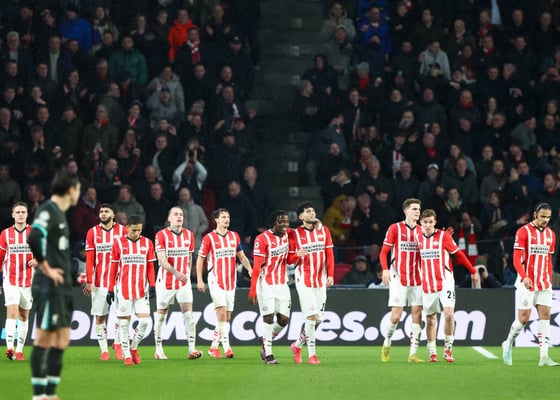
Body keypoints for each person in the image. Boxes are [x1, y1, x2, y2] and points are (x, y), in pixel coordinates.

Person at [27, 170, 81, 400]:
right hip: (49, 286)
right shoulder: (48, 210)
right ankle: (39, 395)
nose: (78, 194)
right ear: (70, 190)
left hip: (63, 287)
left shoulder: (60, 213)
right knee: (44, 338)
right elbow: (33, 236)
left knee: (62, 340)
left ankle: (50, 393)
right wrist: (47, 269)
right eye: (78, 189)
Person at [416, 209, 478, 363]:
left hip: (446, 282)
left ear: (435, 222)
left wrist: (472, 270)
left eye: (431, 222)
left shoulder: (443, 236)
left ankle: (448, 349)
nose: (428, 225)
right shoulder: (417, 237)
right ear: (421, 223)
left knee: (449, 315)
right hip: (428, 283)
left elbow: (459, 255)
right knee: (430, 319)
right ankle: (432, 351)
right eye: (425, 222)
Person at [501, 203, 560, 367]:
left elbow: (548, 259)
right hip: (526, 282)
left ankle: (544, 356)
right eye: (543, 217)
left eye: (548, 217)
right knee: (523, 319)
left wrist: (549, 276)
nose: (545, 220)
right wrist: (524, 276)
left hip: (544, 282)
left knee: (545, 316)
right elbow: (516, 258)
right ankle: (508, 342)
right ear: (535, 215)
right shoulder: (523, 231)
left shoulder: (551, 235)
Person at [196, 208, 252, 359]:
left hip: (231, 281)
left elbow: (241, 256)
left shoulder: (234, 236)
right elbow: (200, 259)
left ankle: (213, 347)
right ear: (216, 220)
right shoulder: (209, 238)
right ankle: (227, 348)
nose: (227, 219)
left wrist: (250, 269)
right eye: (223, 217)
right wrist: (200, 279)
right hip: (215, 279)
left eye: (228, 217)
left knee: (226, 317)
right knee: (221, 311)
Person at [288, 202, 334, 365]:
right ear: (301, 216)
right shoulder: (295, 234)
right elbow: (290, 259)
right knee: (311, 317)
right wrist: (296, 255)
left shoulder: (324, 230)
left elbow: (329, 254)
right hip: (304, 278)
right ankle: (312, 355)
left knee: (318, 319)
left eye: (313, 211)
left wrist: (331, 275)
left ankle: (297, 345)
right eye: (308, 211)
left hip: (320, 279)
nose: (312, 213)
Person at [153, 207, 202, 360]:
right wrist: (176, 273)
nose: (179, 216)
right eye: (175, 214)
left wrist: (186, 273)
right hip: (165, 280)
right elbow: (162, 259)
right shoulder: (161, 235)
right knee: (161, 315)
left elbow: (189, 257)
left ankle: (191, 349)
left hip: (183, 281)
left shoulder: (189, 234)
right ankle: (158, 349)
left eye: (181, 214)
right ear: (169, 218)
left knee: (189, 315)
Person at [107, 214, 156, 366]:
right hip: (123, 289)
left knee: (145, 321)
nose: (136, 233)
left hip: (141, 290)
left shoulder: (147, 243)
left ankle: (134, 347)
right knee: (123, 324)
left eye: (139, 230)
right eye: (134, 230)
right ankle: (127, 355)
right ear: (127, 228)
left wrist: (153, 284)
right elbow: (113, 267)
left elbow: (150, 266)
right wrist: (110, 288)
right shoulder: (118, 243)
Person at [379, 198, 424, 363]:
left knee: (417, 314)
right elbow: (384, 252)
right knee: (396, 316)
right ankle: (387, 341)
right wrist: (385, 269)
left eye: (418, 209)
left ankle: (413, 354)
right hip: (398, 276)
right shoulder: (395, 228)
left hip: (417, 277)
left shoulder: (422, 230)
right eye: (414, 209)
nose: (417, 212)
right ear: (406, 211)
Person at [83, 204, 127, 361]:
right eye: (101, 211)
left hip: (119, 282)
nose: (103, 213)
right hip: (99, 282)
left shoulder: (123, 231)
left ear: (113, 215)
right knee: (100, 317)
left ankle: (117, 344)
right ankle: (104, 351)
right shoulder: (92, 232)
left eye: (106, 211)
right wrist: (89, 280)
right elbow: (89, 259)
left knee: (122, 316)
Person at [248, 210, 291, 365]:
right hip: (265, 283)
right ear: (274, 223)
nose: (285, 224)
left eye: (286, 221)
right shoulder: (262, 239)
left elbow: (304, 230)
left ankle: (265, 339)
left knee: (284, 320)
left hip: (282, 283)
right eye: (281, 221)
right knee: (268, 317)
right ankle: (269, 354)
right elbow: (257, 267)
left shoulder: (288, 234)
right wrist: (252, 289)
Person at [1, 202, 36, 361]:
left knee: (23, 315)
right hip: (10, 279)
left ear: (27, 214)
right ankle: (10, 348)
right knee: (12, 311)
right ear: (13, 215)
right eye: (18, 212)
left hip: (28, 280)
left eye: (23, 212)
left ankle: (20, 350)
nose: (20, 214)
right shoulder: (5, 234)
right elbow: (0, 257)